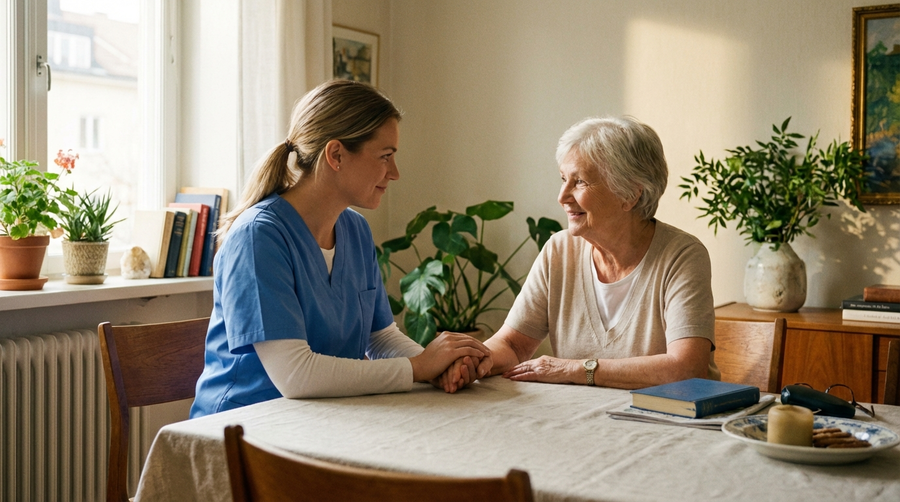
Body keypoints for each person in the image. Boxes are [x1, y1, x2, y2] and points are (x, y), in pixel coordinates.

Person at [191, 80, 489, 417]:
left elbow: (381, 338)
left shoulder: (355, 230)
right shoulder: (258, 237)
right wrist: (419, 367)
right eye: (385, 157)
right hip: (243, 429)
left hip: (323, 421)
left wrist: (438, 366)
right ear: (336, 155)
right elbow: (295, 375)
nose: (395, 173)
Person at [439, 116, 717, 393]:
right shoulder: (559, 251)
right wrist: (473, 360)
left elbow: (686, 369)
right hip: (584, 418)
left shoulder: (682, 256)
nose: (562, 196)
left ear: (630, 195)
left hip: (673, 424)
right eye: (563, 179)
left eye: (580, 182)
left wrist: (575, 369)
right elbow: (513, 344)